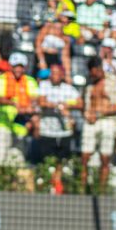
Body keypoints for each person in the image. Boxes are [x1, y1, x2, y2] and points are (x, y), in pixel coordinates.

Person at [35, 64, 81, 194]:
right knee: (47, 159)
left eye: (57, 73)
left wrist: (67, 105)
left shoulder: (69, 89)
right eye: (52, 73)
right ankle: (46, 184)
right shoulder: (44, 86)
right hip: (47, 130)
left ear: (62, 74)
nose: (54, 75)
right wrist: (57, 105)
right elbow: (41, 102)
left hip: (64, 132)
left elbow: (80, 103)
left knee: (61, 160)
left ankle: (58, 185)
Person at [80, 58, 116, 191]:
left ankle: (102, 190)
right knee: (85, 157)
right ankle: (82, 188)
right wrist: (87, 114)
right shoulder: (89, 84)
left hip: (108, 122)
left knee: (105, 158)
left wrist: (99, 114)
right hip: (90, 123)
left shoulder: (113, 82)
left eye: (94, 72)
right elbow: (84, 104)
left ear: (99, 69)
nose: (92, 75)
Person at [0, 52, 38, 164]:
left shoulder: (30, 81)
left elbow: (34, 99)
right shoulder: (1, 79)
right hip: (2, 124)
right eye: (16, 66)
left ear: (25, 68)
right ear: (11, 66)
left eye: (21, 66)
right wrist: (15, 104)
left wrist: (30, 108)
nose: (18, 69)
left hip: (21, 126)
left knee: (18, 161)